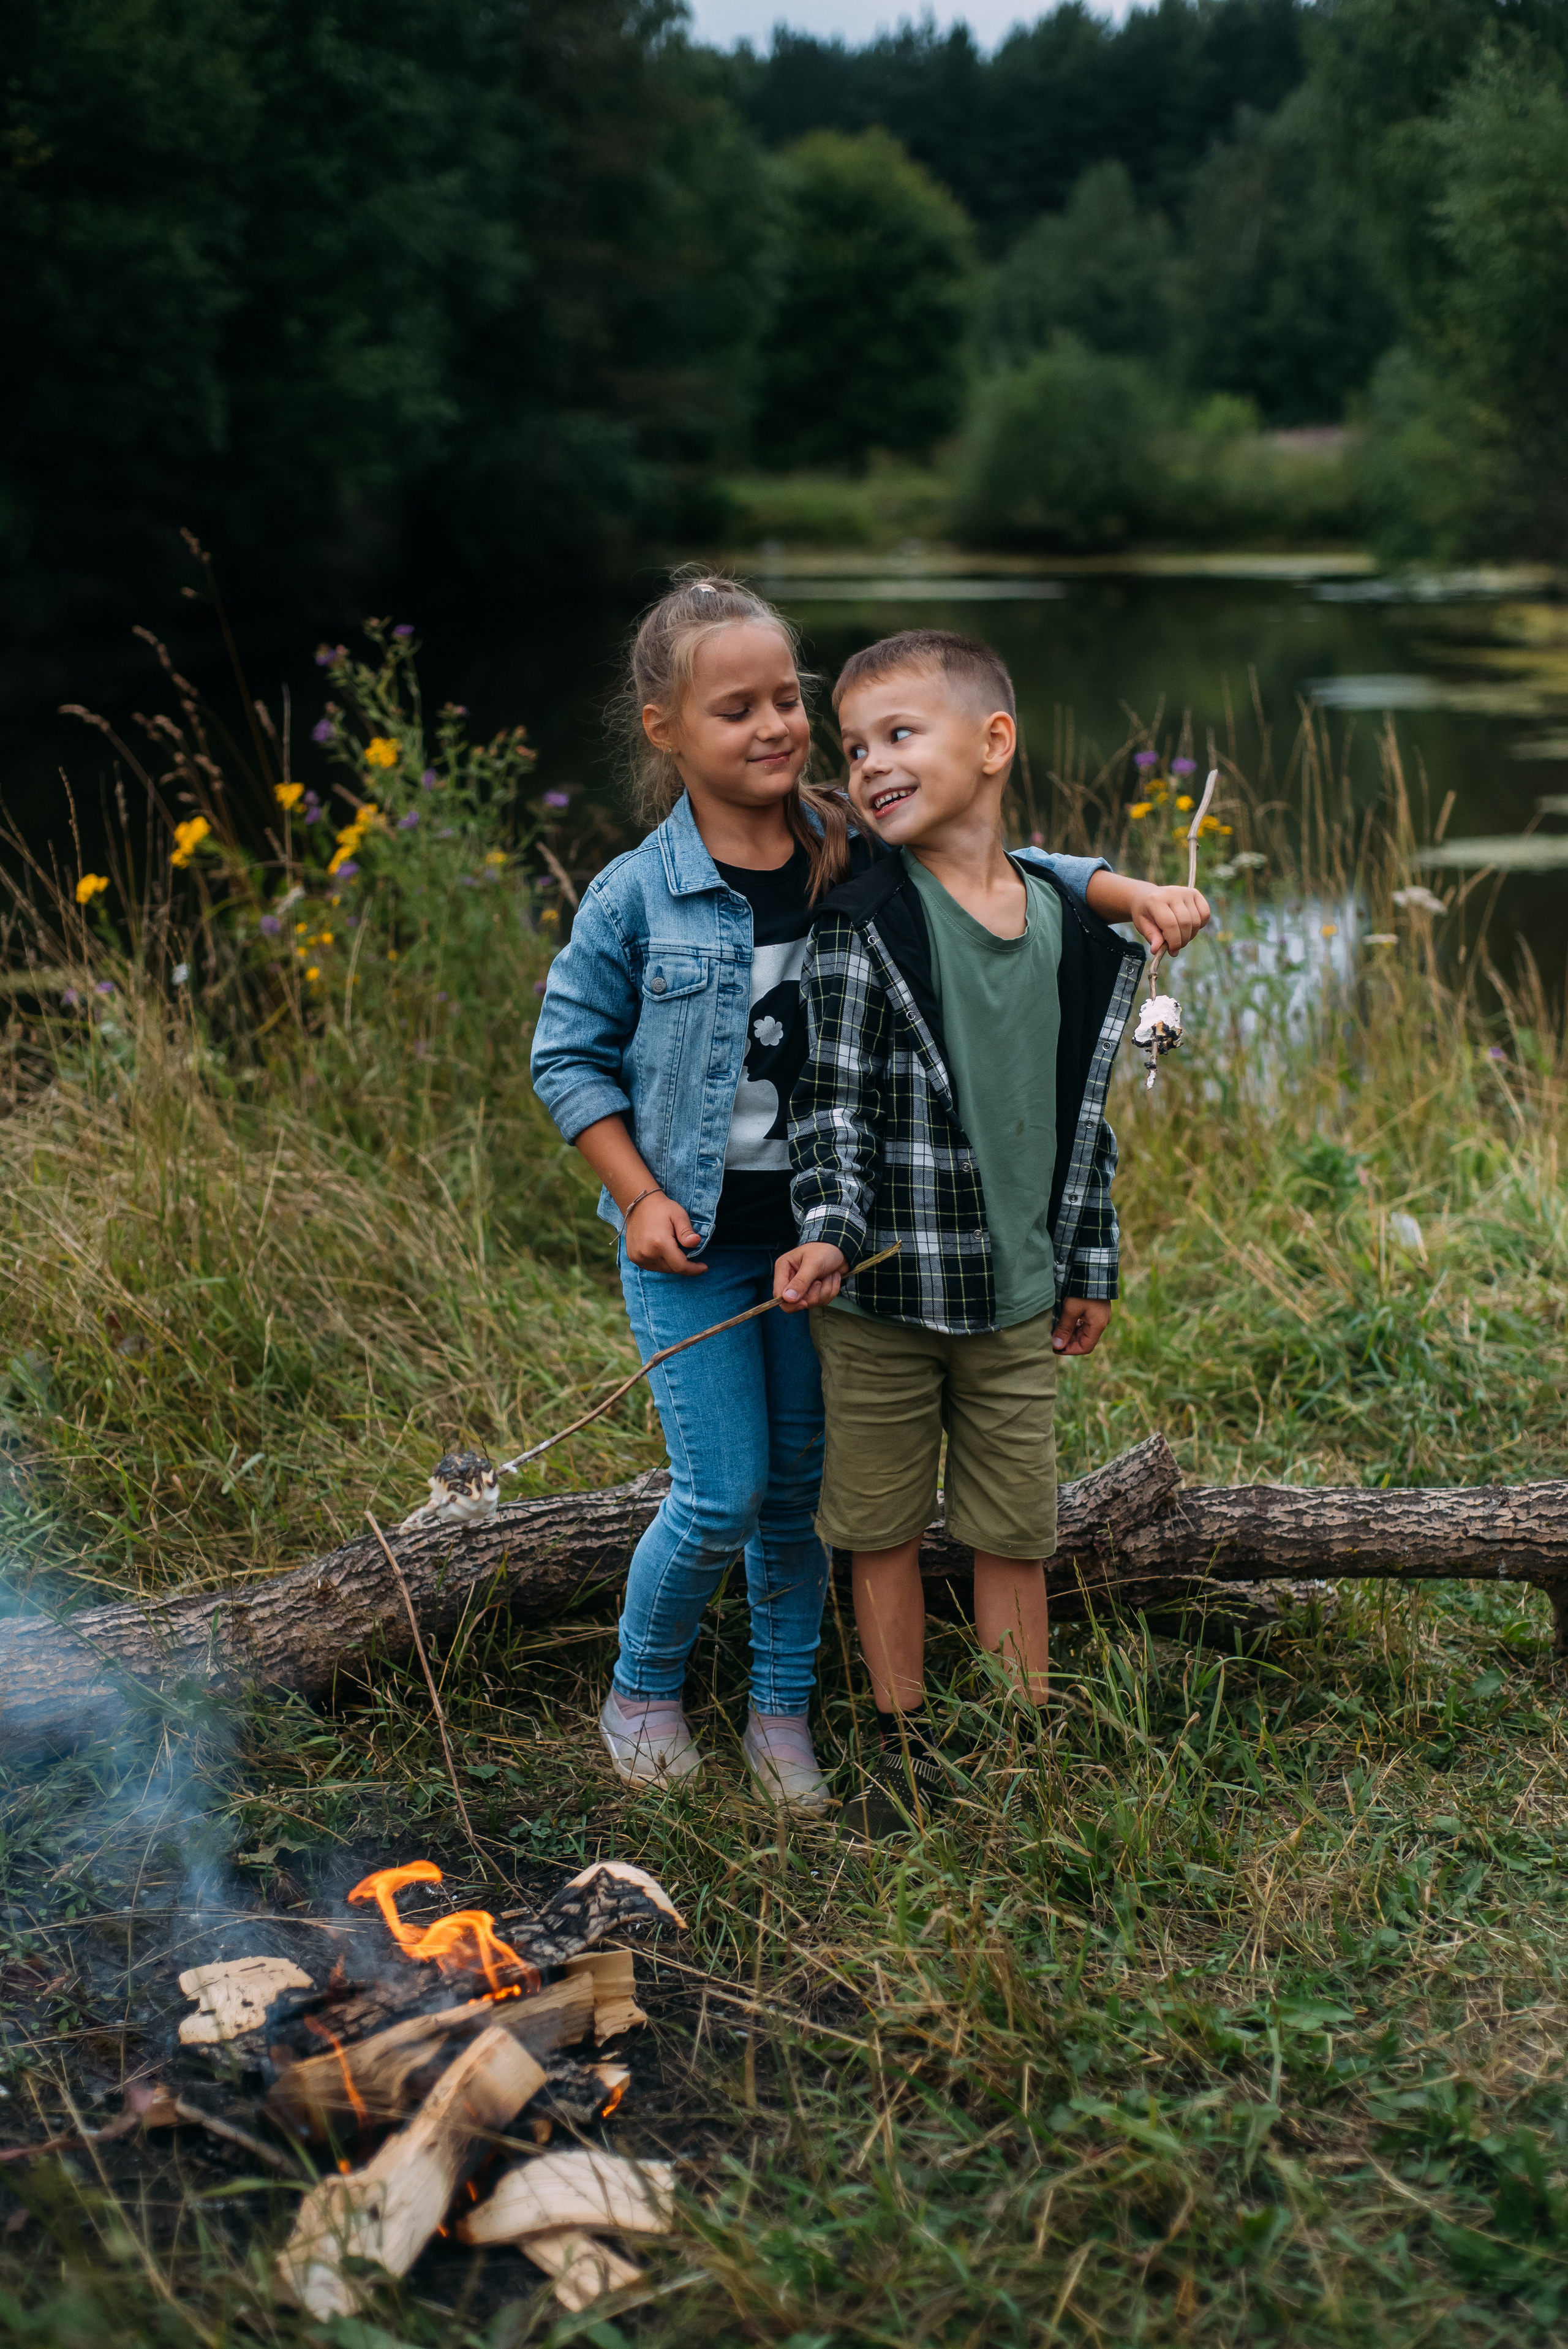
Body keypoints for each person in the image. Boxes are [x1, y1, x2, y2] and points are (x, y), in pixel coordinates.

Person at [530, 580, 1110, 1810]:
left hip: (821, 1241)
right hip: (688, 1247)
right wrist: (634, 1194)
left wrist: (1114, 892)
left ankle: (782, 1712)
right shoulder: (637, 893)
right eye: (732, 708)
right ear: (663, 731)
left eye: (785, 697)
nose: (774, 725)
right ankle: (642, 1689)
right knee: (719, 1490)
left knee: (800, 1487)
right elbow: (565, 1057)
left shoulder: (847, 838)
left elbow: (1001, 854)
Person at [774, 628, 1209, 1834]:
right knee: (875, 1528)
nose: (867, 766)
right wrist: (826, 1232)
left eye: (898, 736)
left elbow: (1083, 1120)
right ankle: (899, 1736)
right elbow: (831, 1110)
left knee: (1013, 1526)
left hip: (1015, 1295)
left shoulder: (1063, 926)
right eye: (853, 747)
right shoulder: (860, 919)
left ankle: (1023, 1739)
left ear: (992, 743)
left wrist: (1090, 1264)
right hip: (877, 1297)